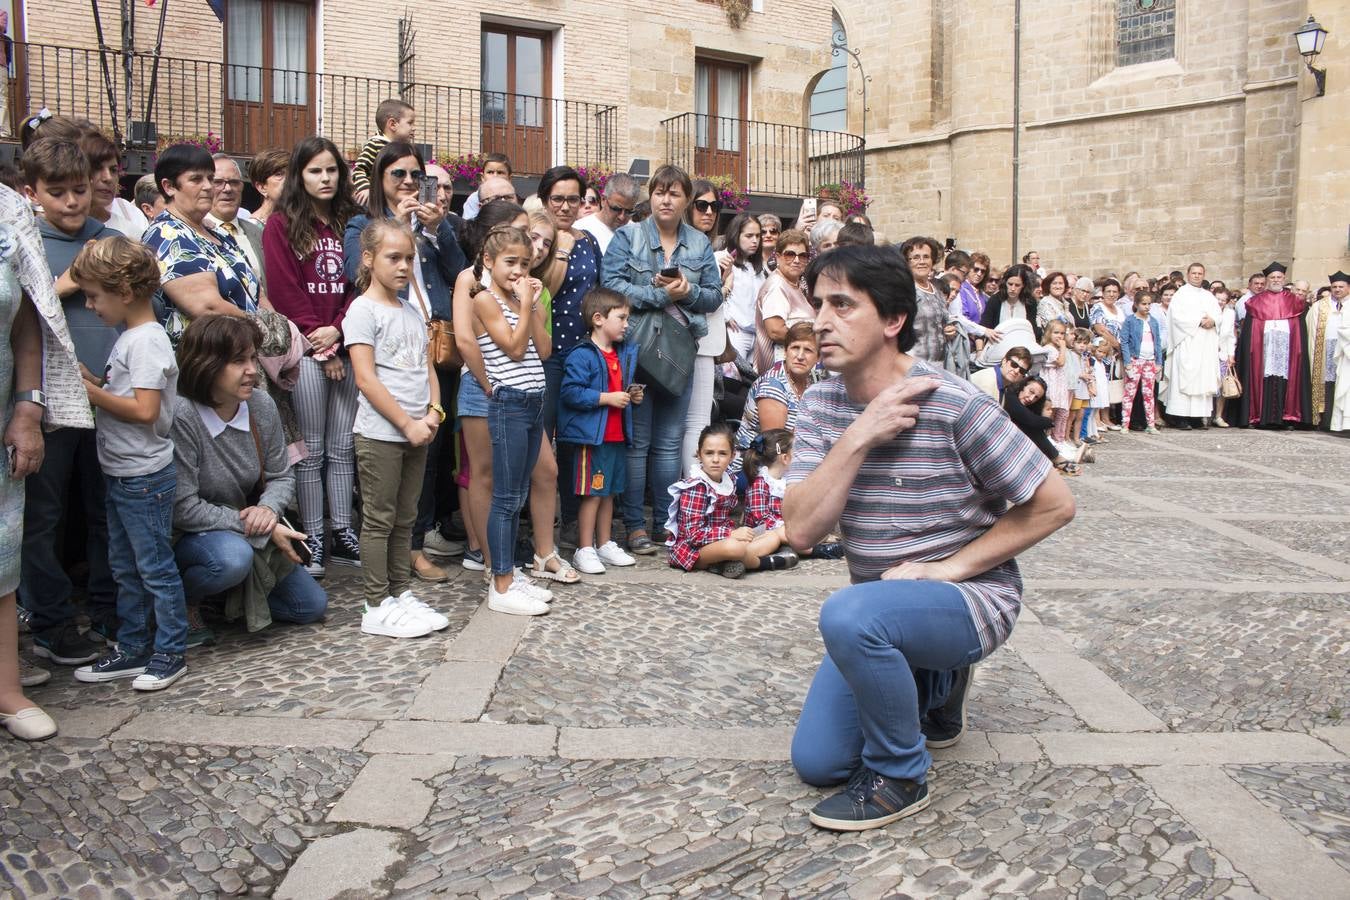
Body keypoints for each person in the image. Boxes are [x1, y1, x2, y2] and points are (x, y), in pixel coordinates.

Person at [783, 243, 1074, 832]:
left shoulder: (953, 400)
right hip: (882, 608)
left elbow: (1054, 505)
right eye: (818, 305)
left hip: (968, 599)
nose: (820, 321)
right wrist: (859, 435)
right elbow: (802, 530)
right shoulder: (818, 403)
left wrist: (946, 570)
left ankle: (899, 775)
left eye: (842, 304)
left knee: (847, 616)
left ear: (893, 321)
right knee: (818, 762)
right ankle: (935, 686)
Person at [344, 141, 470, 582]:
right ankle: (386, 586)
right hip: (386, 364)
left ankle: (413, 549)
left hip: (428, 345)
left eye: (416, 176)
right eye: (398, 174)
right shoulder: (364, 224)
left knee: (430, 458)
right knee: (383, 503)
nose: (409, 183)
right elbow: (352, 274)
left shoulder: (435, 225)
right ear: (380, 178)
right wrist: (397, 229)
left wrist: (436, 233)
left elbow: (462, 276)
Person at [69, 237, 188, 690]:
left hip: (143, 476)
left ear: (123, 291)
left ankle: (170, 651)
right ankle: (134, 647)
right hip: (123, 472)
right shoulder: (133, 340)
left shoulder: (147, 342)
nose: (89, 304)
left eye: (94, 295)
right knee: (125, 566)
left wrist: (93, 393)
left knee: (154, 567)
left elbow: (144, 410)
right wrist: (94, 380)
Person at [0, 181, 96, 740]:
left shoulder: (10, 211)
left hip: (5, 413)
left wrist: (27, 412)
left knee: (4, 548)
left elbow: (28, 326)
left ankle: (7, 690)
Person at [19, 139, 120, 664]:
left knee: (106, 510)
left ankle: (107, 608)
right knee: (44, 516)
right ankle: (52, 622)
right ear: (31, 193)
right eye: (55, 193)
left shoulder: (111, 240)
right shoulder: (22, 244)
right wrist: (66, 283)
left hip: (109, 400)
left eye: (79, 190)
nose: (71, 203)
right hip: (52, 406)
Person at [170, 315, 326, 637]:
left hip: (249, 525)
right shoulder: (182, 415)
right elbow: (183, 508)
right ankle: (183, 599)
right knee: (232, 559)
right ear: (206, 364)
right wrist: (257, 529)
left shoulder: (260, 404)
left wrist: (268, 511)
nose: (252, 369)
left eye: (253, 357)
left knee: (310, 606)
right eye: (238, 361)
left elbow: (281, 476)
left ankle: (227, 602)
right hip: (194, 535)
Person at [600, 164, 721, 556]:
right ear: (649, 196)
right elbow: (611, 286)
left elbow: (714, 296)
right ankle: (634, 525)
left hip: (678, 353)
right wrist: (657, 295)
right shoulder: (628, 236)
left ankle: (664, 524)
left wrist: (687, 292)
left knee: (670, 444)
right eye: (659, 192)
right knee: (637, 443)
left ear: (686, 200)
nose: (666, 200)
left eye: (674, 194)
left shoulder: (700, 244)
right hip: (634, 352)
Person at [344, 219, 450, 638]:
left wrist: (435, 413)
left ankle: (399, 593)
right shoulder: (362, 310)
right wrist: (407, 423)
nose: (404, 266)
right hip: (382, 434)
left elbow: (427, 369)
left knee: (406, 517)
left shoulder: (409, 310)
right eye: (394, 258)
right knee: (379, 519)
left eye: (409, 258)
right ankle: (375, 602)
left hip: (417, 430)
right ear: (369, 259)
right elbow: (366, 378)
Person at [265, 136, 363, 574]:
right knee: (312, 450)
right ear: (299, 176)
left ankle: (343, 530)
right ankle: (315, 537)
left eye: (331, 170)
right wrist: (319, 342)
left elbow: (359, 284)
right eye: (314, 171)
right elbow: (285, 290)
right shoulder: (282, 224)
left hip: (345, 342)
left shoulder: (351, 222)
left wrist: (339, 333)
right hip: (304, 351)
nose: (325, 178)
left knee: (343, 448)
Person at [470, 225, 553, 616]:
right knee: (505, 499)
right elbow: (516, 349)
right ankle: (500, 583)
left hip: (534, 401)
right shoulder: (485, 299)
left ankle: (510, 573)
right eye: (510, 263)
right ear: (489, 262)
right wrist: (522, 304)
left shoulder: (521, 300)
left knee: (519, 494)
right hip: (510, 403)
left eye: (525, 263)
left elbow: (544, 348)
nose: (519, 271)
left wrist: (532, 305)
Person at [559, 288, 642, 576]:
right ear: (598, 319)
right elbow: (570, 392)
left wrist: (631, 396)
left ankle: (605, 543)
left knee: (610, 493)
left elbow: (620, 387)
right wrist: (606, 398)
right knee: (592, 493)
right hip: (591, 439)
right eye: (621, 317)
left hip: (616, 436)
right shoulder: (582, 355)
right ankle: (584, 548)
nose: (626, 324)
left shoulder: (622, 354)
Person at [143, 144, 262, 343]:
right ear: (169, 186)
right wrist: (266, 333)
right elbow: (208, 307)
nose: (208, 186)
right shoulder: (166, 235)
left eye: (210, 178)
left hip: (247, 351)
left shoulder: (217, 232)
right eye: (196, 179)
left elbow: (256, 291)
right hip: (209, 361)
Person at [666, 423, 781, 577]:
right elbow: (693, 535)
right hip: (693, 549)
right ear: (699, 454)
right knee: (734, 548)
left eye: (722, 453)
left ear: (732, 455)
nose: (715, 459)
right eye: (709, 453)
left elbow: (723, 520)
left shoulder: (729, 479)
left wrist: (738, 534)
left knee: (771, 535)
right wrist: (730, 534)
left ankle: (726, 563)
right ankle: (760, 563)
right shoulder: (696, 487)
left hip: (719, 540)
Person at [681, 179, 730, 472]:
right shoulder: (693, 249)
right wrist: (721, 289)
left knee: (698, 419)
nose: (709, 212)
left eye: (715, 206)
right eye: (701, 205)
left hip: (706, 342)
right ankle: (696, 490)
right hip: (690, 340)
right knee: (694, 421)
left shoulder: (712, 249)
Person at [733, 322, 822, 469]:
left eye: (808, 350)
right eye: (795, 348)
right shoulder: (773, 385)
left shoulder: (814, 380)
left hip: (796, 457)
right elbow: (775, 446)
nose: (800, 356)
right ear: (786, 351)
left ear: (818, 357)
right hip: (757, 466)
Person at [1234, 262, 1310, 428]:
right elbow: (1250, 332)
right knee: (1263, 379)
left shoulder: (1294, 301)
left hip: (1287, 351)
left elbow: (1298, 330)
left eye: (1279, 277)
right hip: (1264, 351)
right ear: (1267, 279)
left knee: (1286, 379)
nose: (1276, 280)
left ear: (1284, 278)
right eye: (1272, 277)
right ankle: (1260, 416)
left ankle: (1287, 417)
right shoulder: (1256, 302)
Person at [1162, 264, 1221, 430]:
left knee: (1202, 378)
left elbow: (1218, 315)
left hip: (1205, 345)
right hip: (1187, 342)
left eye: (1200, 273)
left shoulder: (1209, 295)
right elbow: (1177, 318)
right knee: (1184, 377)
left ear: (1204, 275)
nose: (1196, 276)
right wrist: (1199, 321)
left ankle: (1197, 417)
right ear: (1188, 274)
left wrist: (1214, 321)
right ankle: (1181, 417)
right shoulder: (1181, 295)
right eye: (1194, 273)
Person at [752, 229, 813, 375]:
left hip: (796, 366)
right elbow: (776, 331)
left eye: (802, 256)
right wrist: (812, 341)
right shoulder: (777, 285)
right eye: (790, 254)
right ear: (778, 257)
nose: (797, 260)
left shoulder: (796, 283)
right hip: (780, 370)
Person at [740, 428, 799, 569]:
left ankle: (789, 548)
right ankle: (816, 551)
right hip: (758, 530)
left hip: (780, 527)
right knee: (778, 537)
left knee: (802, 530)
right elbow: (760, 519)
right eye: (797, 452)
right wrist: (784, 527)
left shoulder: (785, 480)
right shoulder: (760, 482)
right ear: (785, 458)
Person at [206, 154, 265, 291]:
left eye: (234, 182)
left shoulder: (258, 232)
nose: (227, 189)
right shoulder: (195, 232)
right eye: (218, 182)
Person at [720, 212, 767, 362]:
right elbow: (710, 291)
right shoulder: (721, 259)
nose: (755, 241)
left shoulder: (760, 268)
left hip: (757, 335)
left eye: (758, 236)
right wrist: (725, 316)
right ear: (736, 235)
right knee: (733, 381)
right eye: (749, 236)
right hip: (735, 332)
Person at [352, 98, 417, 205]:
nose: (414, 128)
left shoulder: (403, 149)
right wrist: (365, 189)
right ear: (392, 124)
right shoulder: (375, 144)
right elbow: (359, 169)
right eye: (410, 123)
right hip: (375, 201)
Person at [1305, 271, 1347, 431]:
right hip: (1325, 350)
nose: (1337, 289)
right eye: (1334, 287)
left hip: (1345, 350)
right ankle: (1325, 419)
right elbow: (1311, 329)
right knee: (1328, 384)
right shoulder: (1320, 306)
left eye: (1341, 287)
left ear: (1348, 288)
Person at [900, 237, 947, 363]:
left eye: (926, 257)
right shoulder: (904, 290)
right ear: (906, 262)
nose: (922, 261)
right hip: (912, 364)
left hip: (938, 365)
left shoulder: (936, 289)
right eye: (915, 257)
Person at [1121, 291, 1164, 433]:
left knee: (1149, 394)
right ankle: (1125, 423)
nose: (1146, 307)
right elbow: (1125, 342)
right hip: (1135, 359)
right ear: (1136, 304)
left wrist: (1159, 361)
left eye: (1148, 304)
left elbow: (1157, 342)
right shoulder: (1130, 320)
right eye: (1143, 304)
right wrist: (1127, 361)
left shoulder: (1153, 321)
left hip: (1150, 361)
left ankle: (1150, 424)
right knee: (1130, 392)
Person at [575, 173, 639, 255]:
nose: (622, 217)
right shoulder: (579, 230)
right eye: (616, 209)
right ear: (603, 200)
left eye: (629, 211)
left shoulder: (638, 233)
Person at [981, 264, 1040, 342]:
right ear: (1005, 283)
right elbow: (984, 326)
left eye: (1017, 285)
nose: (1013, 288)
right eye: (1010, 284)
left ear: (1023, 285)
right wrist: (980, 350)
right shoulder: (995, 300)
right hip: (998, 344)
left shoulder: (1030, 302)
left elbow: (1032, 329)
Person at [1040, 320, 1071, 444]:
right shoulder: (1048, 349)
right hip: (1051, 385)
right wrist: (1063, 347)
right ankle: (1047, 439)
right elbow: (1060, 362)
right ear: (1048, 333)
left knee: (1061, 413)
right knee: (1050, 413)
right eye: (1056, 332)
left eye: (1062, 333)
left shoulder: (1056, 349)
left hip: (1059, 385)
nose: (1059, 336)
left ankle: (1058, 439)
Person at [460, 153, 513, 222]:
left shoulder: (511, 198)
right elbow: (469, 225)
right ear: (482, 177)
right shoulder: (474, 199)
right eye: (490, 172)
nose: (495, 176)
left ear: (509, 178)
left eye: (500, 172)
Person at [1213, 287, 1237, 427]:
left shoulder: (1230, 313)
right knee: (1209, 385)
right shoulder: (1208, 311)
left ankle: (1218, 415)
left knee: (1223, 385)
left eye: (1223, 300)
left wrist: (1231, 355)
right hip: (1208, 353)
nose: (1220, 302)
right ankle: (1206, 415)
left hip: (1223, 353)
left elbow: (1230, 336)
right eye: (1218, 299)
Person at [248, 148, 290, 225]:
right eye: (279, 174)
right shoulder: (252, 227)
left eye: (292, 174)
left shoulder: (300, 219)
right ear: (262, 187)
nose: (289, 180)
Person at [1066, 327, 1094, 446]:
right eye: (1079, 342)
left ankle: (1077, 437)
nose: (1082, 346)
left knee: (1080, 416)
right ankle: (1066, 436)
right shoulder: (1070, 355)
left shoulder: (1084, 357)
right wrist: (1081, 375)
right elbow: (1069, 371)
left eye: (1084, 343)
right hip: (1076, 389)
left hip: (1084, 390)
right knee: (1071, 415)